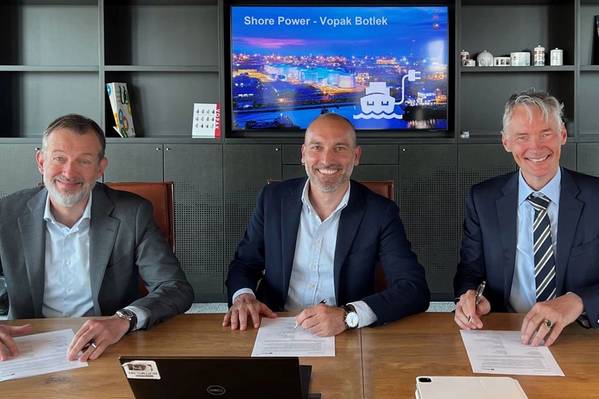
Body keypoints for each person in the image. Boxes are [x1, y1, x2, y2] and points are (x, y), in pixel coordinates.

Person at [0, 114, 193, 361]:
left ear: (100, 168)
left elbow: (175, 288)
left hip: (107, 344)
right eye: (59, 158)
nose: (69, 173)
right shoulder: (6, 213)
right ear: (41, 161)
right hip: (27, 347)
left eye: (84, 161)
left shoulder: (132, 213)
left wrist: (123, 320)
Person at [223, 113, 429, 336]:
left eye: (339, 148)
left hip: (344, 332)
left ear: (356, 156)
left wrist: (348, 315)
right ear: (303, 154)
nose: (327, 160)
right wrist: (244, 296)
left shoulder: (380, 212)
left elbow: (413, 288)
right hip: (276, 323)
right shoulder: (273, 199)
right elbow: (244, 263)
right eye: (316, 147)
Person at [454, 91, 599, 346]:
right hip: (507, 334)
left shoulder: (596, 197)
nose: (536, 147)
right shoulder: (482, 199)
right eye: (522, 137)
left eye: (546, 133)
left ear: (562, 135)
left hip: (578, 334)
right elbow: (470, 272)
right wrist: (473, 298)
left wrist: (578, 301)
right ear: (506, 142)